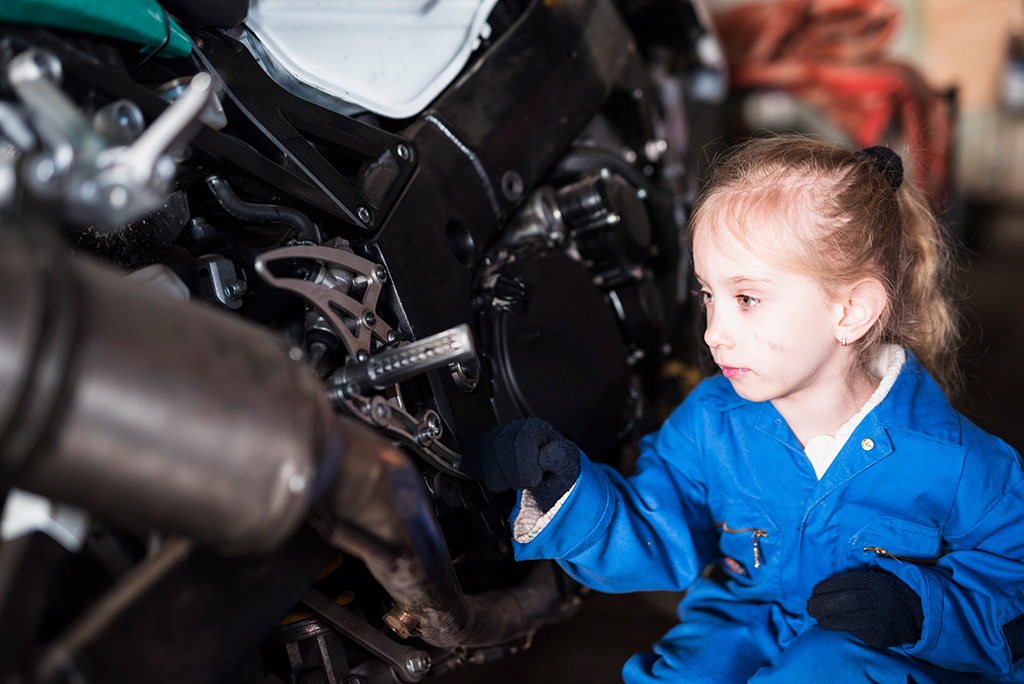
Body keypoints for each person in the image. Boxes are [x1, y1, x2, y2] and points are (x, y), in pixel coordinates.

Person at [461, 136, 1024, 682]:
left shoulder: (963, 465)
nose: (714, 333)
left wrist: (920, 612)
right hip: (737, 631)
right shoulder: (711, 422)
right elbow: (653, 524)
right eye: (709, 295)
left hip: (875, 657)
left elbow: (1013, 593)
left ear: (851, 311)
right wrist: (566, 491)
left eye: (747, 298)